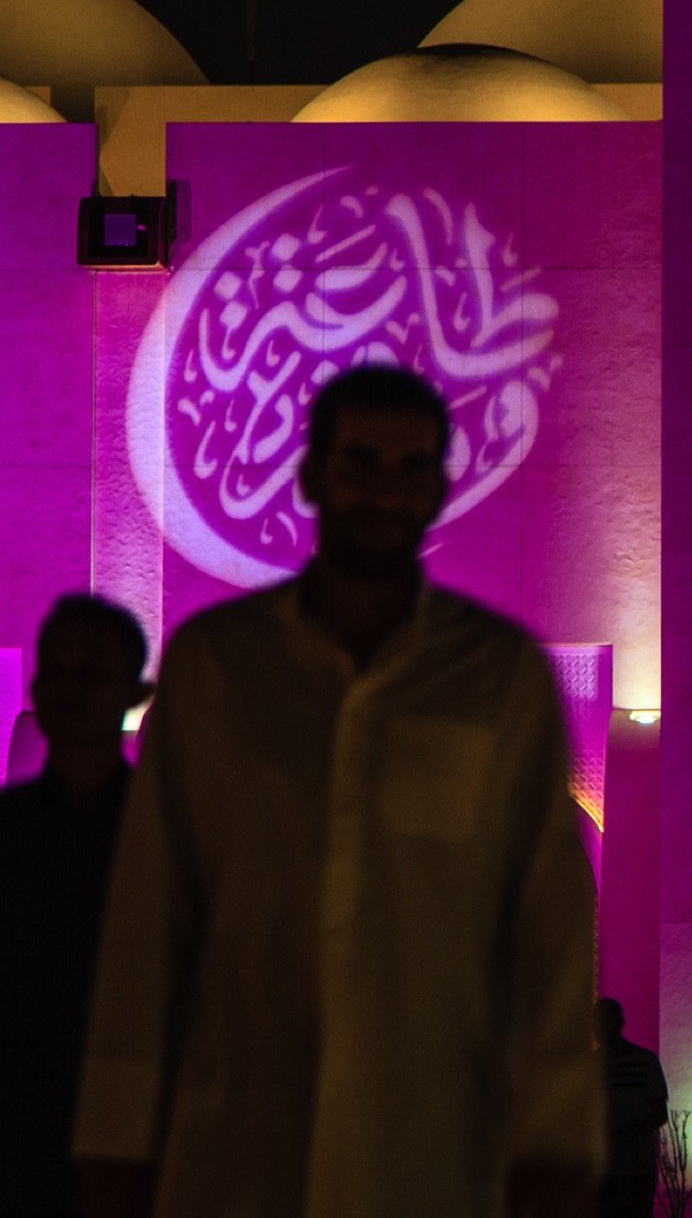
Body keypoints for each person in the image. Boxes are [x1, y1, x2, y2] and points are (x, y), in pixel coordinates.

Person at [73, 366, 602, 1218]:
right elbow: (149, 918)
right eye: (359, 461)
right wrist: (114, 1141)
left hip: (432, 1156)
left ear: (437, 486)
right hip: (235, 1149)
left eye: (408, 467)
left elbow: (545, 930)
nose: (382, 491)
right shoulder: (216, 669)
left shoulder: (498, 680)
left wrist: (557, 1144)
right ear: (314, 473)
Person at [0, 595, 148, 1218]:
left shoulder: (169, 833)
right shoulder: (166, 833)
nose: (71, 687)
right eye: (59, 669)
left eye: (90, 671)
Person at [596, 997, 671, 1218]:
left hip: (633, 1166)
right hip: (620, 1165)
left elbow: (659, 1114)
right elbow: (659, 1113)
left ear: (619, 1022)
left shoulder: (644, 1061)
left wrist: (627, 1130)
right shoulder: (644, 1061)